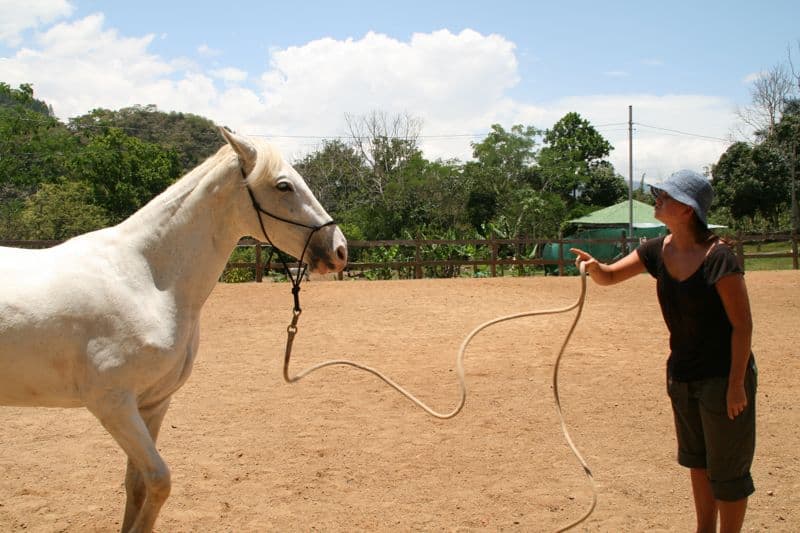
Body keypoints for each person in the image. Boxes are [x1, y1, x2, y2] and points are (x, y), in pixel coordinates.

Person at [571, 169, 756, 533]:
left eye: (666, 196)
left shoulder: (720, 259)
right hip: (683, 375)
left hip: (723, 378)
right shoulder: (657, 249)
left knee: (728, 470)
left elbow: (742, 326)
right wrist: (594, 268)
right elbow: (610, 276)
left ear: (688, 209)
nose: (658, 199)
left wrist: (737, 384)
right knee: (698, 462)